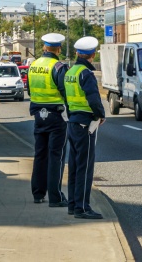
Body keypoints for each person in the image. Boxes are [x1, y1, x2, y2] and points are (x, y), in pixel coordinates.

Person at [64, 36, 106, 219]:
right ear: (93, 54)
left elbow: (66, 99)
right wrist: (100, 115)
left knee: (74, 165)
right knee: (85, 167)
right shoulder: (86, 74)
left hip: (73, 121)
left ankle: (73, 205)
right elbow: (94, 99)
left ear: (77, 53)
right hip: (85, 124)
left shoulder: (70, 72)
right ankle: (82, 208)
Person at [27, 33, 69, 207]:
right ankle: (55, 197)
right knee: (56, 156)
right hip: (56, 115)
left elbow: (29, 90)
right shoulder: (59, 67)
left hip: (38, 114)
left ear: (44, 47)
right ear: (58, 49)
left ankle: (38, 194)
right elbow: (64, 91)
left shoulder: (33, 65)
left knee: (40, 154)